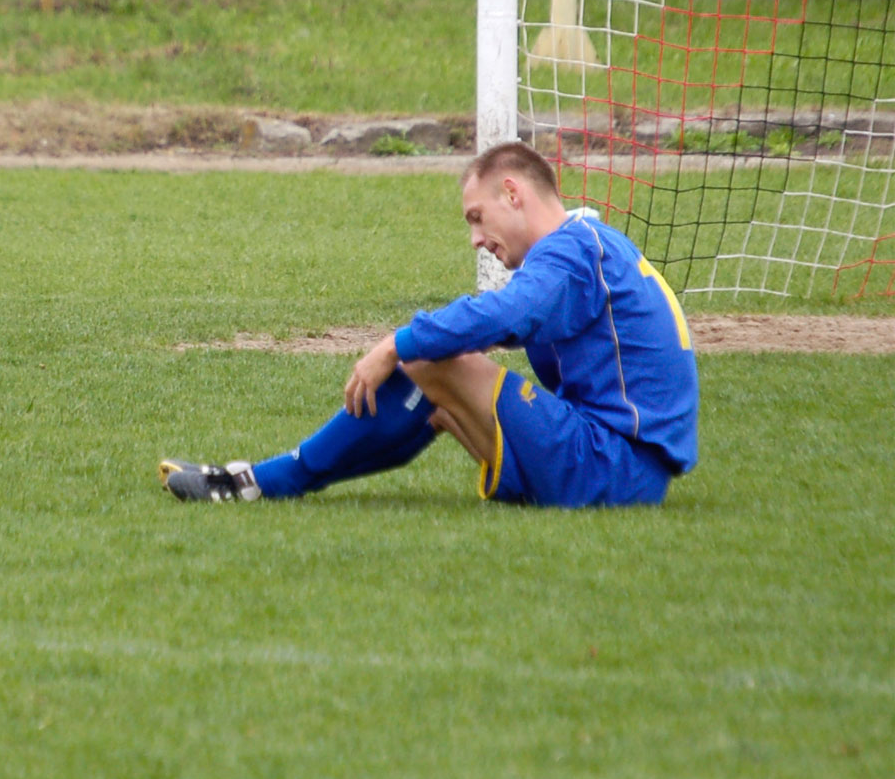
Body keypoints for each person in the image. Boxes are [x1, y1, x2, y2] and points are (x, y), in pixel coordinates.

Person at [159, 140, 698, 508]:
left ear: (513, 194)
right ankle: (267, 481)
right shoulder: (588, 247)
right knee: (435, 394)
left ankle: (266, 481)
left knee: (427, 359)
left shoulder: (572, 252)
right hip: (622, 469)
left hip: (612, 468)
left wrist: (396, 343)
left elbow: (505, 314)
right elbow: (509, 323)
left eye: (476, 217)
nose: (475, 239)